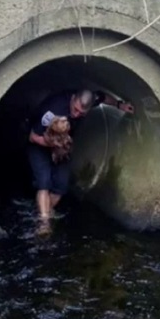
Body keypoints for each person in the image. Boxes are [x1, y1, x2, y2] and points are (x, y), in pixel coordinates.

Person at [27, 89, 134, 233]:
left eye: (81, 113)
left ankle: (41, 212)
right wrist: (54, 145)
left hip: (63, 146)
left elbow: (102, 97)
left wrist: (119, 105)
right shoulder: (53, 110)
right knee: (44, 182)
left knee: (61, 186)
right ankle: (44, 224)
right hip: (41, 144)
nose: (76, 114)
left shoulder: (91, 100)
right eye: (75, 110)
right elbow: (33, 137)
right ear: (72, 100)